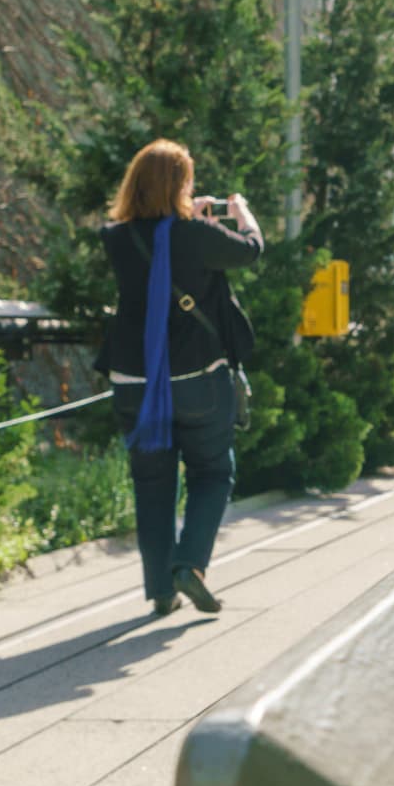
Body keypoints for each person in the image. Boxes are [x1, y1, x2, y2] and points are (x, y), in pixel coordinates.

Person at [97, 139, 262, 618]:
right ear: (179, 186)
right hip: (196, 382)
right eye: (188, 181)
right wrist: (239, 212)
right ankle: (189, 564)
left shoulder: (115, 237)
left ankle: (160, 591)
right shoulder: (197, 236)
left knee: (152, 487)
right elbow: (250, 250)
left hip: (133, 382)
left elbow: (158, 247)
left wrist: (194, 219)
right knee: (214, 472)